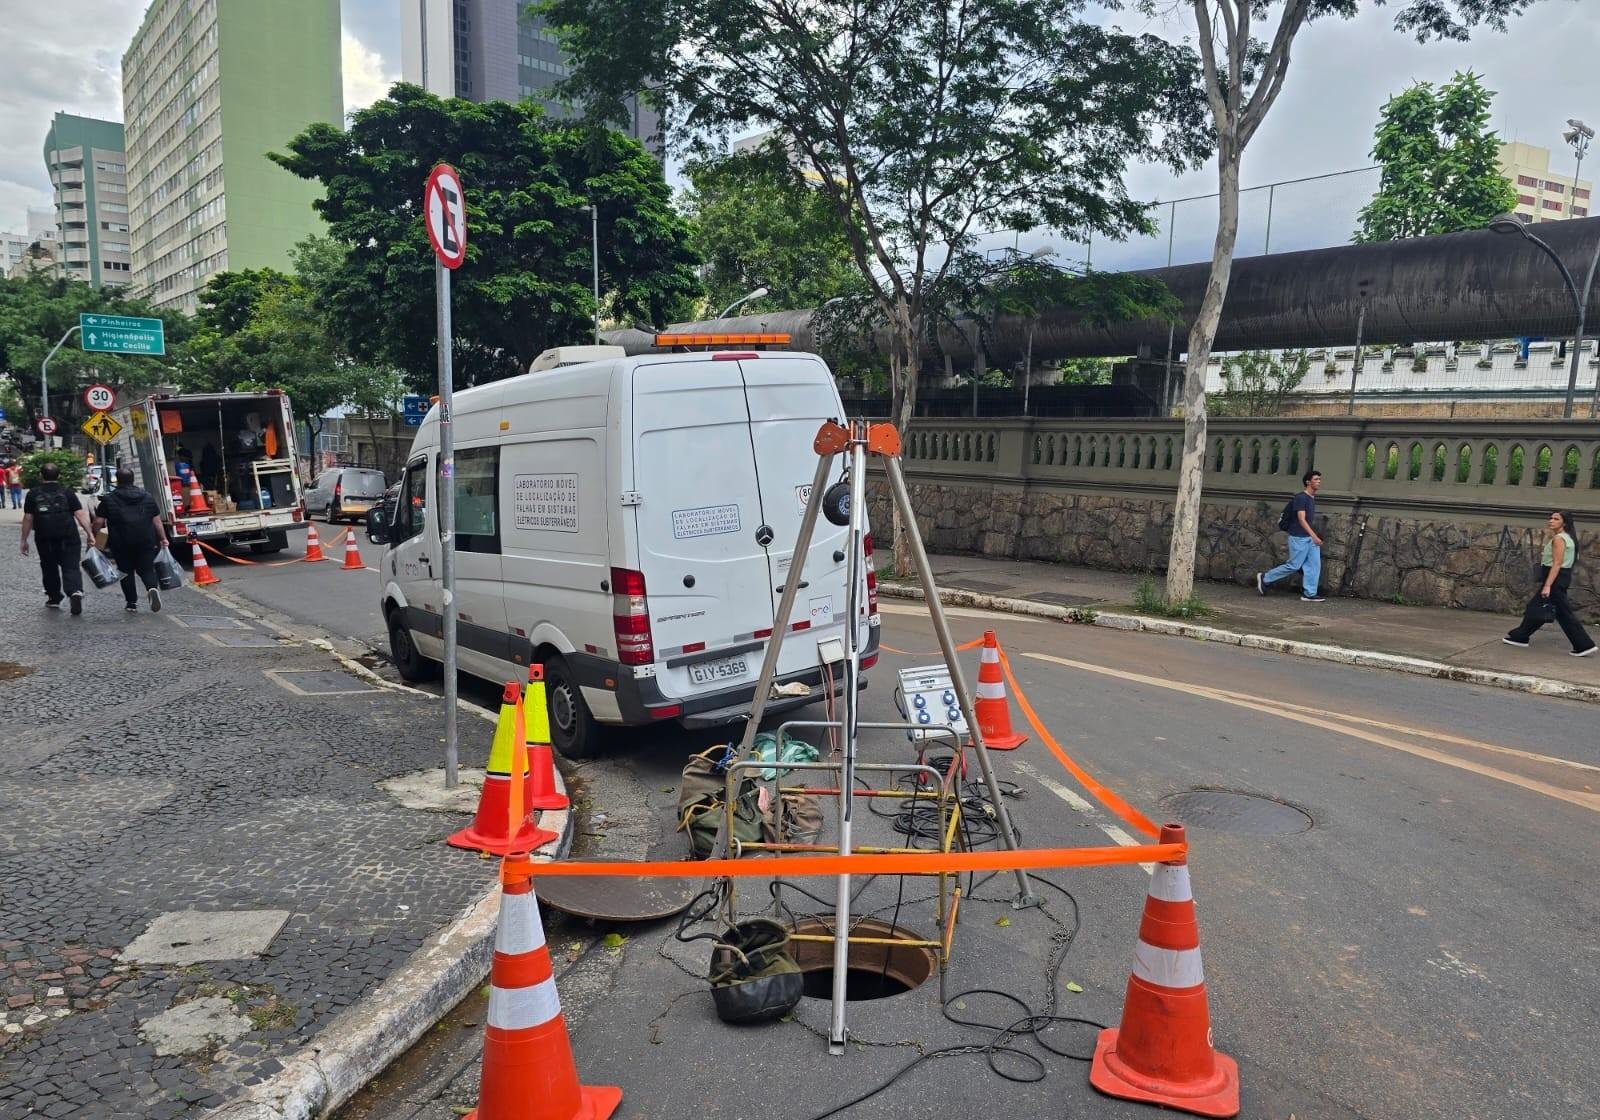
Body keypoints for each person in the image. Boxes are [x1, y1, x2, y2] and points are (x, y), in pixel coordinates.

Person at [1503, 511, 1596, 657]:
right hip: (1560, 577)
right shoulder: (1569, 538)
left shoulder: (1559, 539)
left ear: (1564, 523)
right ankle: (1520, 636)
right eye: (1551, 518)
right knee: (1535, 607)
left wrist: (1547, 585)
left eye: (1556, 519)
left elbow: (1557, 564)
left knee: (1564, 613)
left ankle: (1583, 644)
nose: (1551, 520)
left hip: (1554, 578)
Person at [19, 462, 92, 614]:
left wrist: (24, 540)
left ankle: (54, 598)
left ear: (41, 476)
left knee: (49, 567)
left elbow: (28, 518)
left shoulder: (33, 494)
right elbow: (80, 514)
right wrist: (90, 534)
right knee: (71, 565)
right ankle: (75, 591)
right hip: (69, 535)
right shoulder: (67, 492)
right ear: (58, 476)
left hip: (44, 536)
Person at [94, 465, 169, 613]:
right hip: (145, 540)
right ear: (133, 479)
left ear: (117, 480)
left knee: (125, 571)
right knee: (147, 569)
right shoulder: (147, 496)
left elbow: (98, 522)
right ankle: (152, 588)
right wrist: (163, 538)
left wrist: (97, 538)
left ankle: (131, 603)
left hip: (121, 542)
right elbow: (156, 521)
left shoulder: (109, 499)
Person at [1257, 469, 1325, 603]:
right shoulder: (1301, 497)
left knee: (1314, 565)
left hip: (1309, 538)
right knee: (1294, 565)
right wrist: (1314, 536)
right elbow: (1301, 519)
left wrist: (1313, 537)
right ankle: (1265, 578)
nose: (1319, 482)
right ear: (1307, 482)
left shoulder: (1311, 498)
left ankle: (1309, 594)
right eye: (1316, 479)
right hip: (1299, 537)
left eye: (1319, 479)